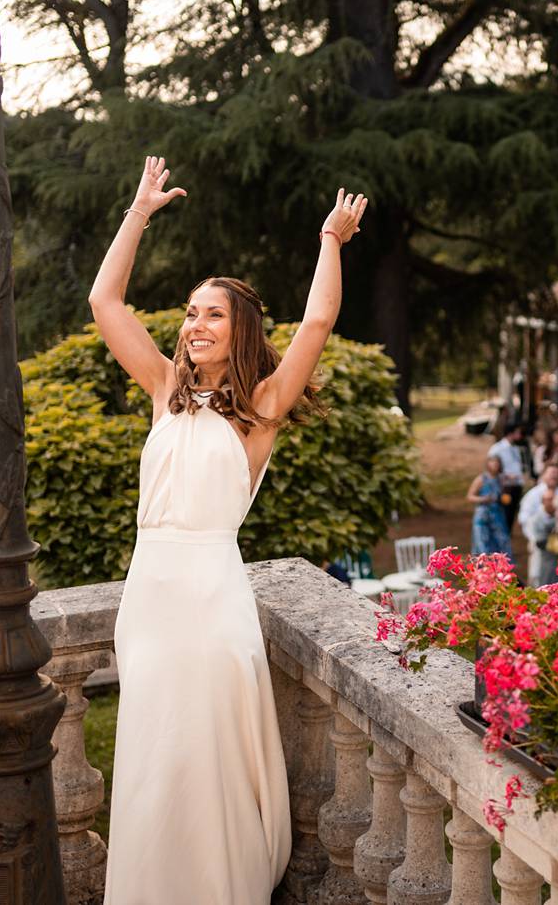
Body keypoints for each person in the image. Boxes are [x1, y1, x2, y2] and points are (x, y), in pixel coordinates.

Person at [91, 160, 366, 901]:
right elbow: (105, 299)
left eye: (212, 314)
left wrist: (329, 241)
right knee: (154, 757)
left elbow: (316, 322)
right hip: (149, 600)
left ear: (240, 329)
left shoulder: (263, 408)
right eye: (189, 312)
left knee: (205, 755)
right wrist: (139, 213)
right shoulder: (161, 390)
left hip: (214, 604)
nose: (195, 325)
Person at [518, 463, 558, 587]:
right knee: (537, 573)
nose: (554, 477)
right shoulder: (533, 495)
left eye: (556, 474)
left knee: (557, 574)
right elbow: (524, 518)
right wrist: (533, 536)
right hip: (537, 540)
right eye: (551, 474)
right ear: (544, 475)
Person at [467, 455, 512, 561]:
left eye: (497, 462)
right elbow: (470, 496)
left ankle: (499, 568)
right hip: (483, 515)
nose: (495, 465)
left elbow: (503, 495)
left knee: (501, 541)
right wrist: (483, 499)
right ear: (488, 464)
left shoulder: (501, 479)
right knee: (482, 542)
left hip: (497, 515)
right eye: (492, 462)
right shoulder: (481, 479)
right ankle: (483, 568)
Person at [487, 424, 529, 533]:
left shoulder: (515, 448)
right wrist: (504, 476)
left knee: (511, 514)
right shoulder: (497, 448)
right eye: (518, 432)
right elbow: (490, 466)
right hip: (505, 486)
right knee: (504, 513)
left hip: (516, 485)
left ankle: (506, 540)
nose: (520, 435)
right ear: (511, 433)